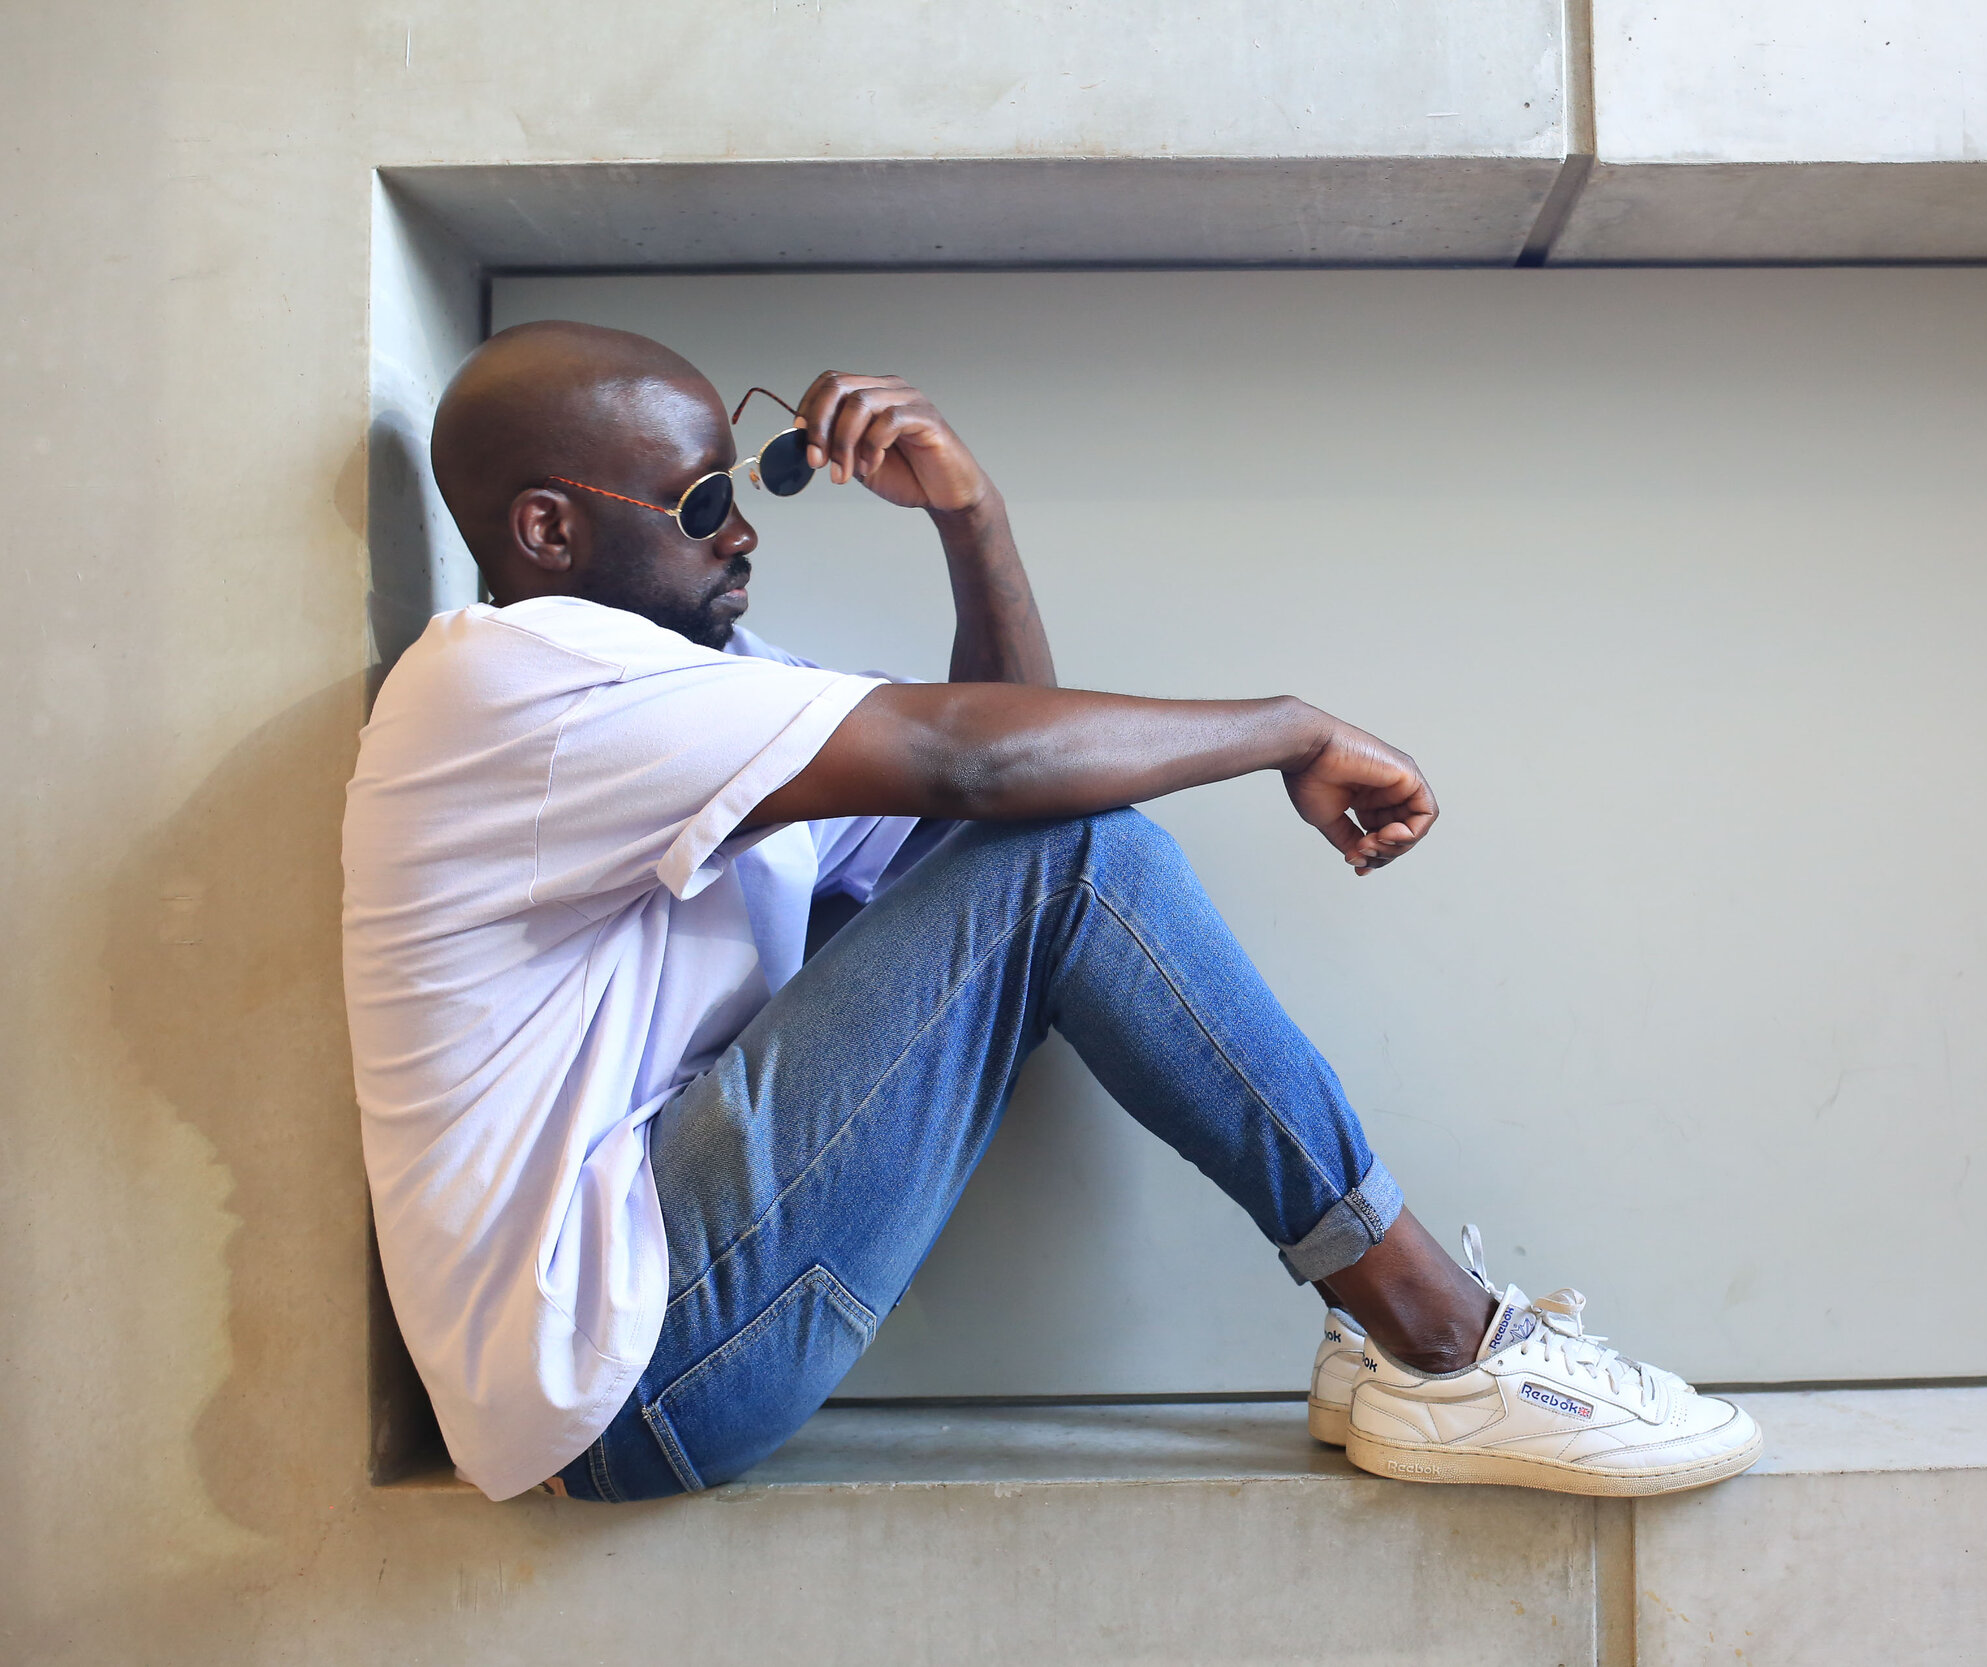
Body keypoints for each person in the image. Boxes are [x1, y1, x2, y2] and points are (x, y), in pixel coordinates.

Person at [341, 320, 1762, 1503]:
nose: (747, 529)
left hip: (657, 1330)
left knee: (1065, 849)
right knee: (1083, 856)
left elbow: (1004, 801)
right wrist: (1289, 726)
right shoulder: (508, 682)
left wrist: (973, 521)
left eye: (750, 482)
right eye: (704, 502)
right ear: (547, 528)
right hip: (626, 1371)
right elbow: (991, 772)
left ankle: (1400, 1334)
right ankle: (1440, 1342)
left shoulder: (691, 691)